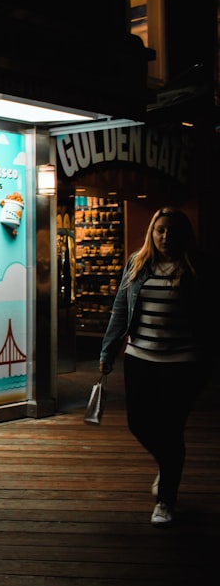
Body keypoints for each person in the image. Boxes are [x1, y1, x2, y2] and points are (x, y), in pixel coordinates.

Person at [98, 206, 212, 527]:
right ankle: (168, 463)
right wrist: (108, 351)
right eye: (160, 230)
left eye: (172, 231)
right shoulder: (138, 263)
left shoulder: (197, 267)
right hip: (140, 359)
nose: (165, 236)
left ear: (183, 235)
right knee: (139, 423)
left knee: (172, 427)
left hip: (183, 363)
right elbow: (120, 310)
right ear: (152, 231)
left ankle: (166, 499)